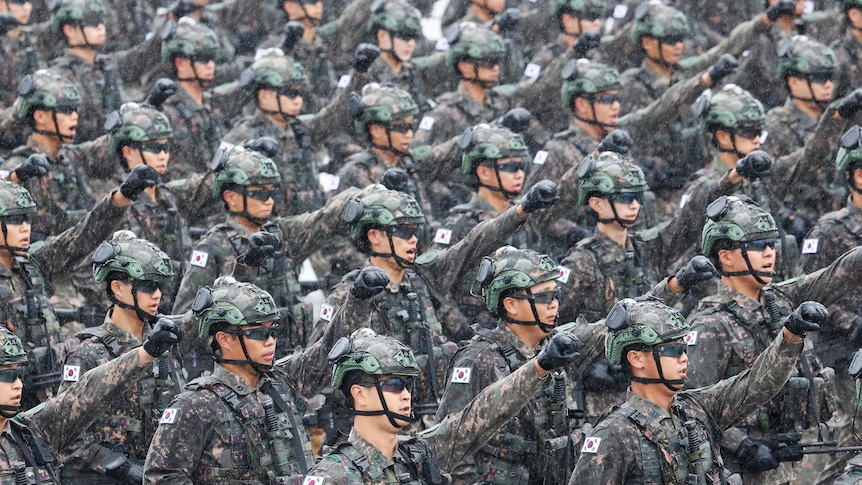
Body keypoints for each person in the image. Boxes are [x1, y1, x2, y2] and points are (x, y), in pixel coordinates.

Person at [687, 194, 862, 484]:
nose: (769, 253)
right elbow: (690, 406)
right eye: (757, 246)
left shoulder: (779, 300)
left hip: (785, 468)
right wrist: (741, 446)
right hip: (739, 471)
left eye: (771, 244)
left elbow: (838, 275)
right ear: (725, 255)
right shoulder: (710, 326)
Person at [569, 296, 821, 484]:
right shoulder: (613, 434)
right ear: (636, 358)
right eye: (672, 350)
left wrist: (791, 335)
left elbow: (757, 383)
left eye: (684, 348)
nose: (683, 358)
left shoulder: (695, 408)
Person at [304, 326, 582, 483]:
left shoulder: (417, 456)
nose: (405, 395)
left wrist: (538, 367)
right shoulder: (333, 476)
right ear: (359, 394)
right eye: (393, 385)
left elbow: (482, 413)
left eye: (408, 385)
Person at [0, 165, 157, 407]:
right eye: (13, 220)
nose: (25, 227)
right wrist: (64, 350)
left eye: (27, 219)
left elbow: (81, 238)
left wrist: (122, 197)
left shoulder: (30, 264)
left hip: (46, 396)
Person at [144, 276, 317, 483]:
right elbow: (160, 478)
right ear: (224, 339)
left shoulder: (279, 385)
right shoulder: (195, 405)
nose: (271, 342)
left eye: (273, 331)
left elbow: (324, 358)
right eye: (260, 333)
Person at [435, 247, 581, 484]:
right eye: (544, 297)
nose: (554, 304)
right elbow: (446, 446)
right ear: (511, 305)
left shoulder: (553, 349)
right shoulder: (478, 359)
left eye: (556, 295)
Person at [58, 233, 184, 484]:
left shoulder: (163, 345)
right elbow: (63, 432)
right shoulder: (88, 355)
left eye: (160, 286)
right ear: (117, 286)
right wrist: (117, 466)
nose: (157, 295)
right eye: (148, 286)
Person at [0, 310, 182, 483]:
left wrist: (145, 354)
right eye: (8, 376)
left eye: (20, 375)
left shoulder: (32, 433)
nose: (19, 385)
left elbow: (88, 391)